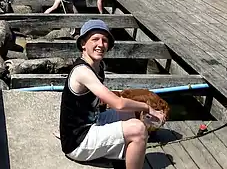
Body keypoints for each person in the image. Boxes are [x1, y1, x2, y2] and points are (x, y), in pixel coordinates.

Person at [60, 20, 164, 168]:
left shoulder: (99, 66)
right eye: (95, 39)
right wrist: (148, 108)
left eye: (104, 40)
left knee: (131, 114)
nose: (100, 44)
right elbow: (119, 104)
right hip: (78, 142)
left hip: (92, 123)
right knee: (138, 129)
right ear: (83, 43)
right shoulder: (82, 71)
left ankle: (127, 155)